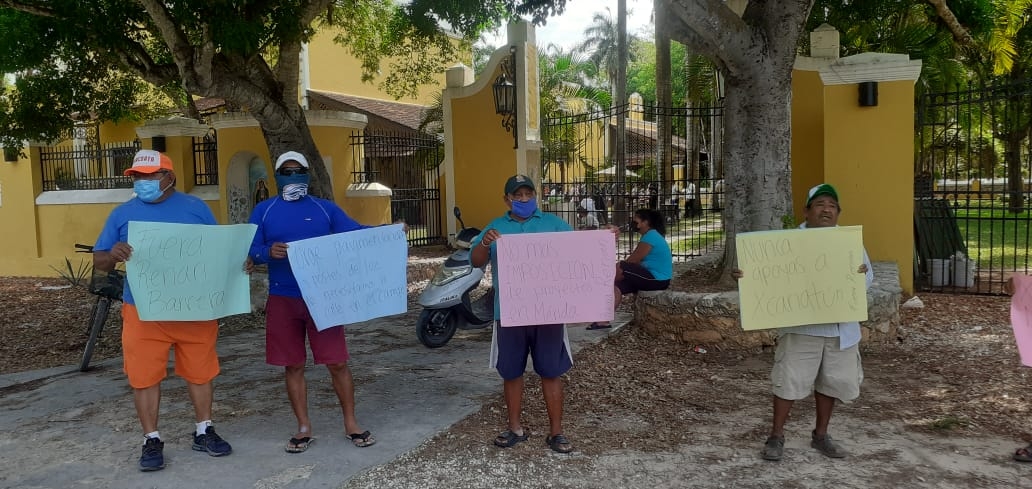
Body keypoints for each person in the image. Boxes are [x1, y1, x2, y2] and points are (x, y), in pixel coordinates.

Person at [93, 150, 233, 472]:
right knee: (144, 378)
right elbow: (99, 260)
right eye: (137, 177)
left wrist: (238, 265)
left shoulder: (197, 209)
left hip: (193, 309)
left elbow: (219, 250)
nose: (143, 182)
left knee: (201, 372)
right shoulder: (121, 214)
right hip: (143, 311)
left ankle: (204, 430)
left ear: (169, 177)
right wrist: (113, 253)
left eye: (151, 176)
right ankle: (151, 438)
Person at [247, 150, 379, 454]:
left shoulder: (324, 209)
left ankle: (351, 423)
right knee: (293, 365)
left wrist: (389, 233)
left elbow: (356, 234)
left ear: (307, 174)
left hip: (324, 297)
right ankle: (303, 427)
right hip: (283, 297)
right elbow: (250, 249)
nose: (293, 178)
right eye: (287, 173)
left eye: (299, 172)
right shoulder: (264, 211)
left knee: (337, 362)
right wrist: (268, 253)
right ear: (277, 176)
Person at [734, 183, 873, 461]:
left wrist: (861, 274)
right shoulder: (786, 244)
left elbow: (866, 282)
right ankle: (776, 435)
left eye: (832, 206)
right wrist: (746, 277)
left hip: (838, 328)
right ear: (807, 211)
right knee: (788, 381)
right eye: (820, 204)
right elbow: (768, 276)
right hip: (801, 328)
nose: (827, 210)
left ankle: (821, 435)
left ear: (838, 213)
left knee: (830, 383)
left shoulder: (849, 243)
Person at [471, 174, 577, 454]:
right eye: (517, 195)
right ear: (506, 199)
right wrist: (484, 243)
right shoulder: (495, 227)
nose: (523, 199)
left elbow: (580, 253)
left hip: (548, 311)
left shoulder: (554, 224)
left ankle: (556, 432)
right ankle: (515, 428)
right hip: (510, 312)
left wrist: (605, 238)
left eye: (528, 193)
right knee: (511, 372)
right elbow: (476, 262)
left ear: (536, 195)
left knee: (551, 371)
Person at [587, 208, 672, 330]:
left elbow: (632, 261)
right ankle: (602, 321)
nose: (633, 221)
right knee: (616, 287)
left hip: (657, 279)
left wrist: (612, 274)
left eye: (636, 218)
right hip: (651, 276)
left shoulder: (651, 236)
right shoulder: (650, 236)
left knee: (622, 267)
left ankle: (600, 285)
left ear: (645, 222)